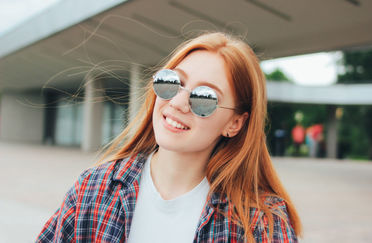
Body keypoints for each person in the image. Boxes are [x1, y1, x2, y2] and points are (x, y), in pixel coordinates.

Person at [36, 32, 301, 242]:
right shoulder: (93, 190)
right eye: (172, 82)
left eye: (205, 97)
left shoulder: (262, 223)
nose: (177, 102)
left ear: (235, 123)